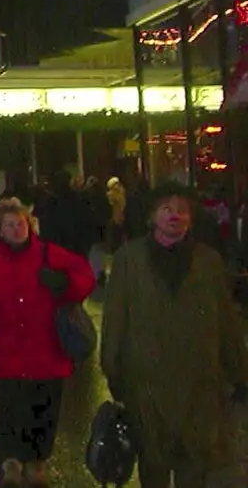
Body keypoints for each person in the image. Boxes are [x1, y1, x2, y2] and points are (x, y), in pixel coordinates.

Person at [101, 181, 248, 488]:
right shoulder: (130, 260)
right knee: (153, 467)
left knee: (194, 468)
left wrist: (238, 373)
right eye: (167, 209)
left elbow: (227, 322)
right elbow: (114, 322)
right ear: (152, 216)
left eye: (182, 210)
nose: (175, 216)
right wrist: (115, 374)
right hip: (147, 389)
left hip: (199, 387)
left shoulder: (209, 262)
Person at [0, 198, 95, 486]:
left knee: (44, 413)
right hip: (7, 357)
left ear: (30, 225)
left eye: (20, 223)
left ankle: (37, 463)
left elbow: (83, 274)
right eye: (9, 225)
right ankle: (12, 463)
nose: (16, 229)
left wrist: (65, 283)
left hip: (47, 354)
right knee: (10, 412)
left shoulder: (49, 255)